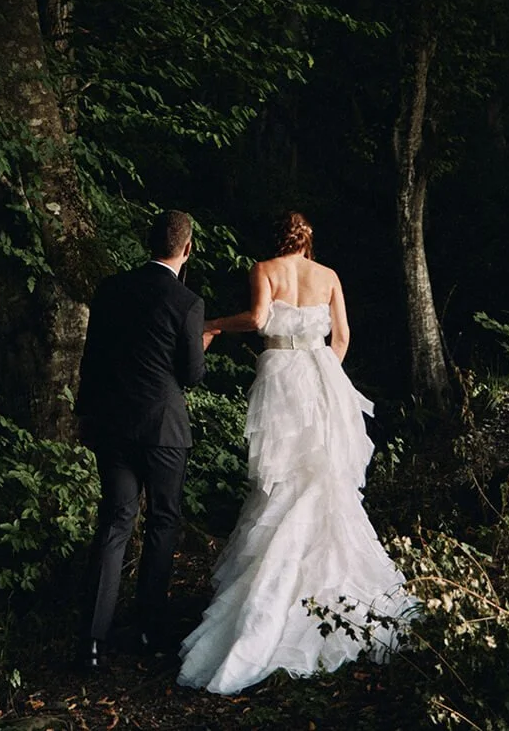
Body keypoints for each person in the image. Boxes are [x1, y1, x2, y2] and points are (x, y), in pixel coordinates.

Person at [176, 211, 416, 695]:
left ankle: (269, 595)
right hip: (323, 375)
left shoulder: (264, 269)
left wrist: (216, 324)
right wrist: (323, 372)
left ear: (277, 240)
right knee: (324, 474)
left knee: (282, 474)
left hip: (281, 374)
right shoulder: (328, 276)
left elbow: (260, 319)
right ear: (308, 242)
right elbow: (342, 337)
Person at [73, 209, 206, 670]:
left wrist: (83, 416)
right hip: (164, 430)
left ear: (149, 243)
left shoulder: (111, 289)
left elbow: (91, 359)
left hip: (112, 425)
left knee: (114, 523)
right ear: (186, 249)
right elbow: (191, 375)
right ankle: (149, 629)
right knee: (162, 523)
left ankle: (92, 640)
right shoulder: (186, 302)